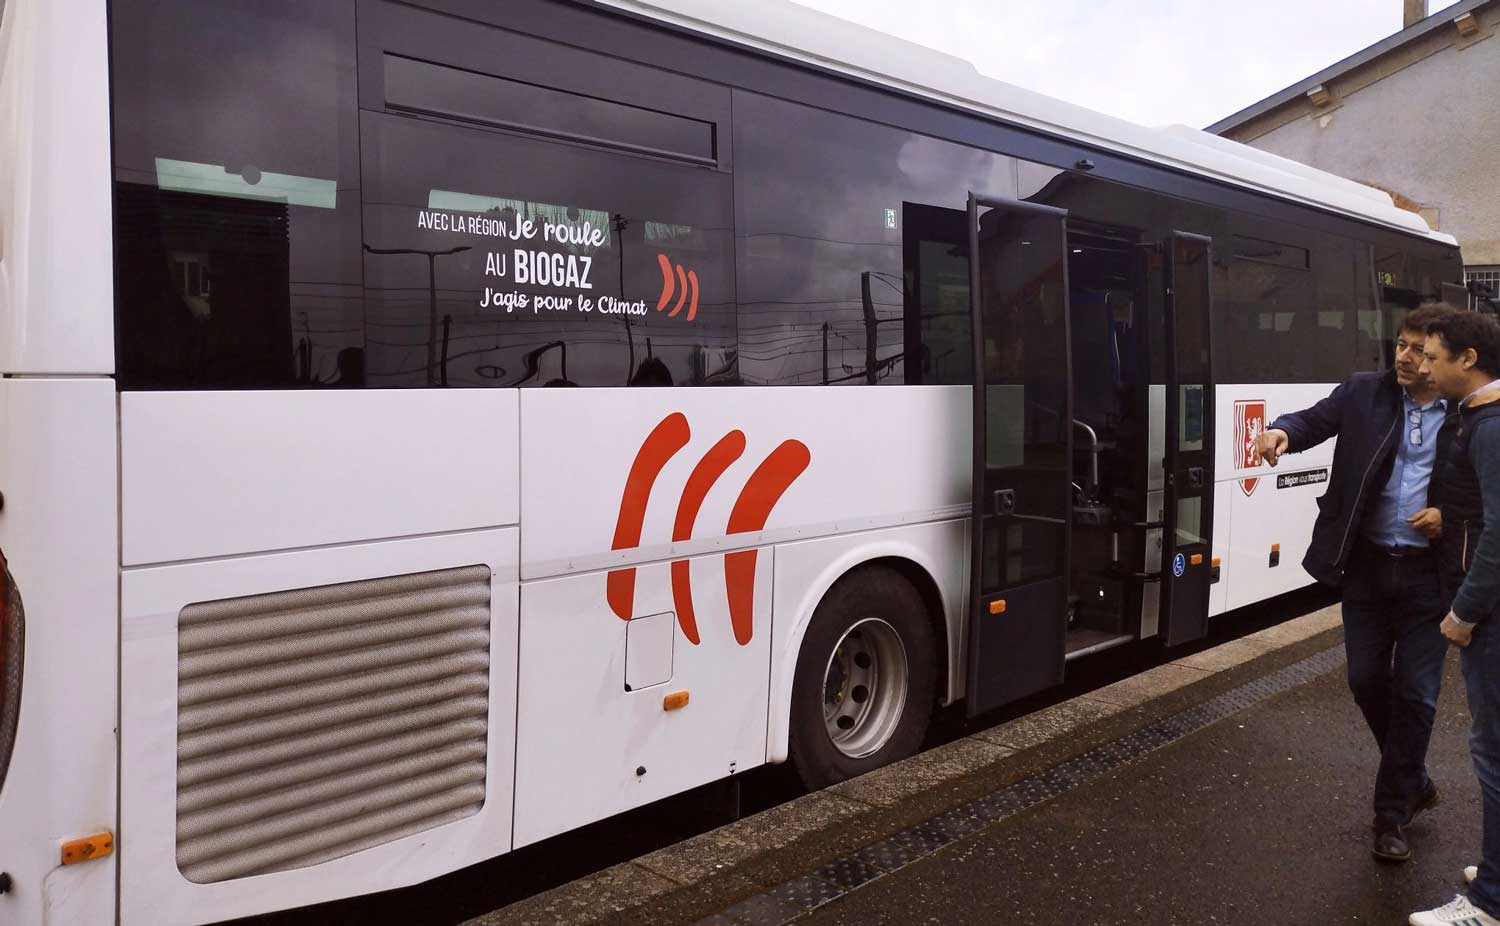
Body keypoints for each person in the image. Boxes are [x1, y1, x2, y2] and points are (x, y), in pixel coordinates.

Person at [1255, 303, 1454, 862]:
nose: (1406, 356)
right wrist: (1279, 433)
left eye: (1419, 349)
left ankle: (1390, 816)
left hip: (1427, 576)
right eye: (1402, 345)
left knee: (1416, 693)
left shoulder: (1466, 412)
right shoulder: (1365, 392)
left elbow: (1482, 489)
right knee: (1366, 680)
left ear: (1443, 356)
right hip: (1366, 565)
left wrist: (1447, 514)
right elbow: (1313, 420)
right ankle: (1413, 777)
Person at [1409, 311, 1500, 926]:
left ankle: (1491, 901)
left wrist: (1464, 611)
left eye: (1435, 356)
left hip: (1491, 613)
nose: (1424, 366)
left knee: (1491, 750)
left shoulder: (1489, 426)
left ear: (1469, 359)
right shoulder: (1479, 420)